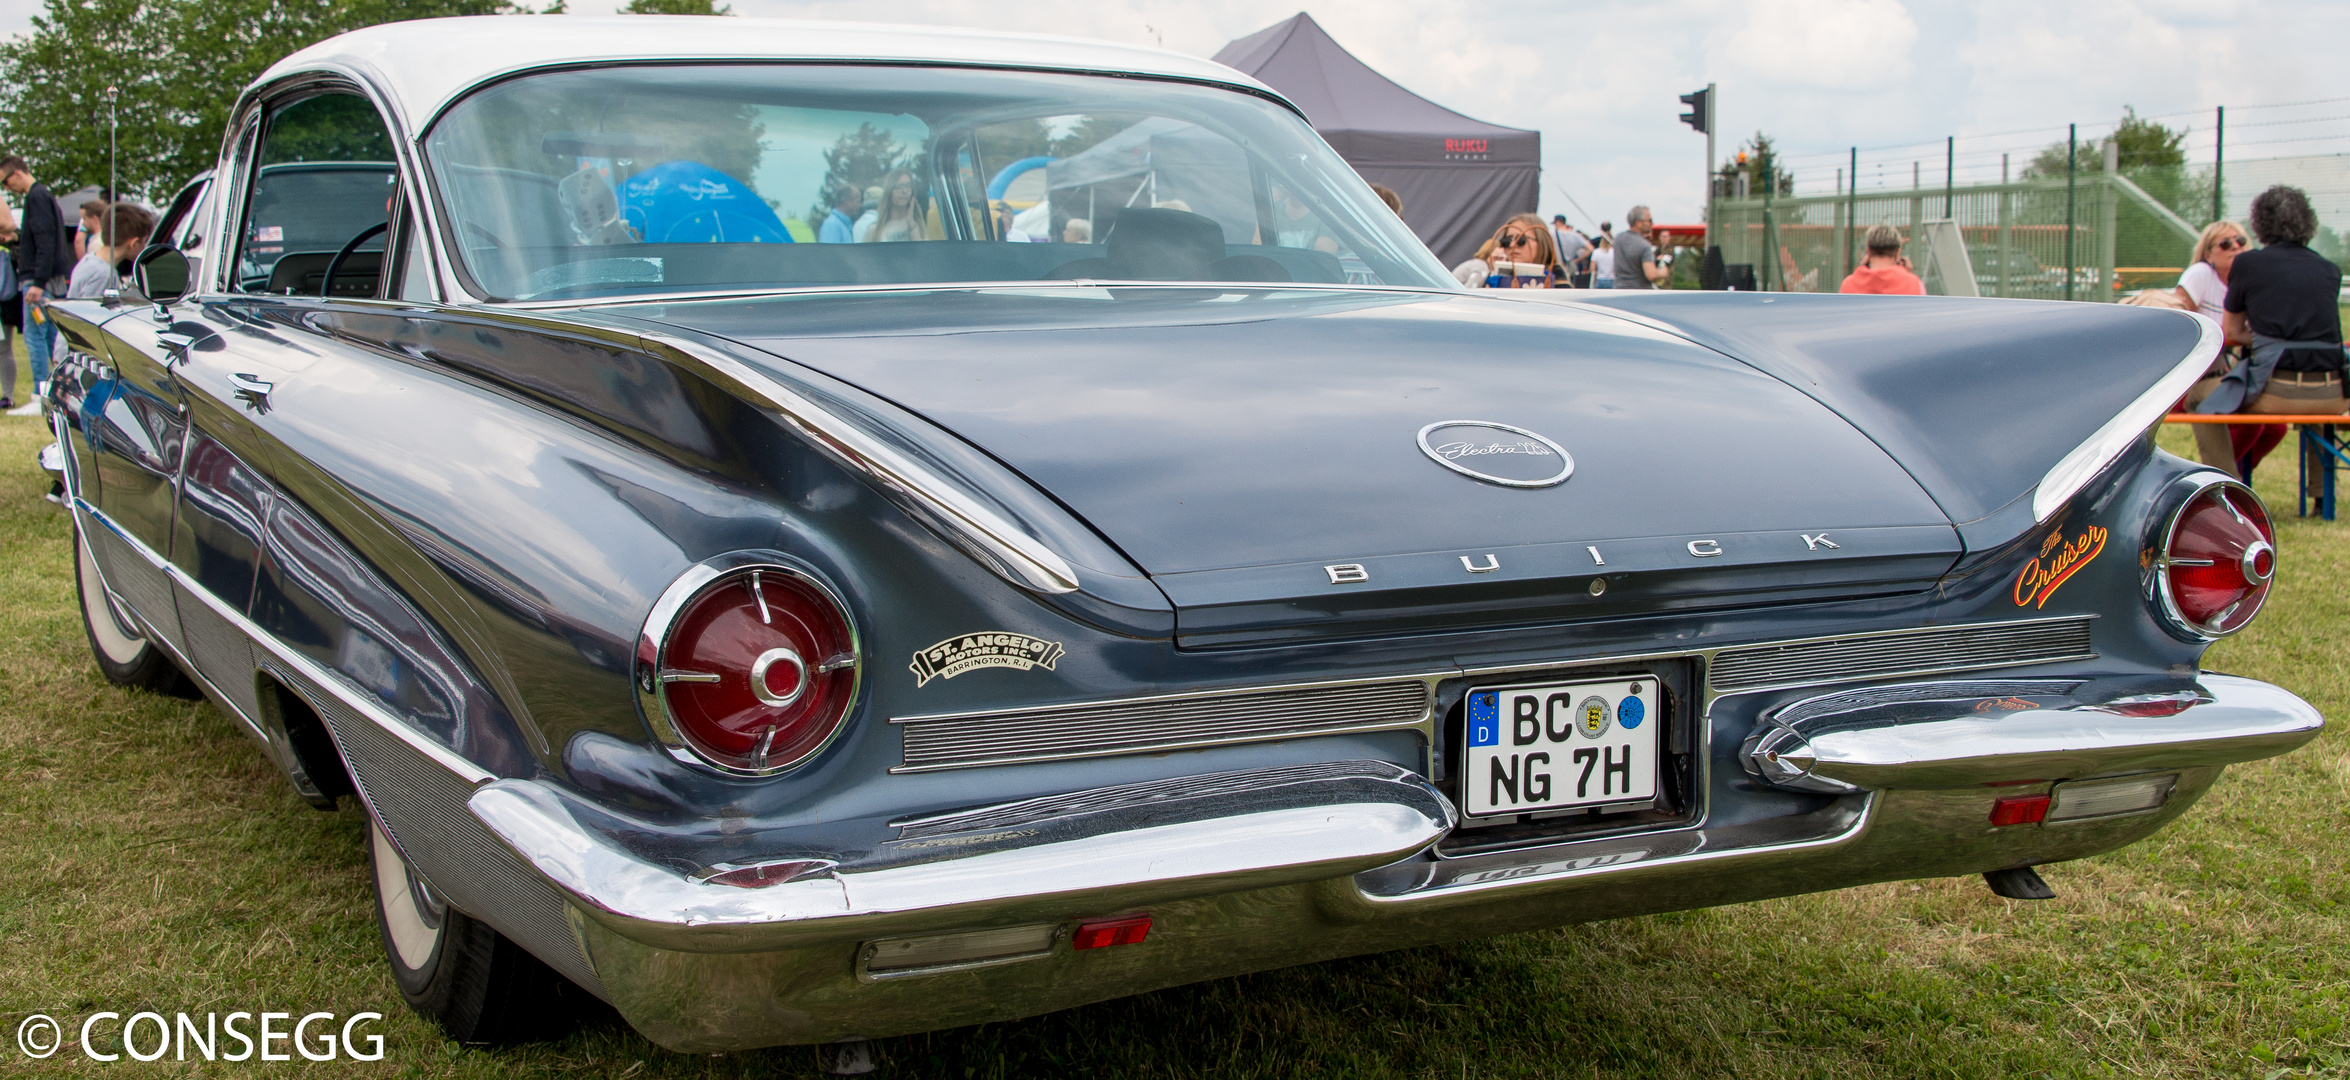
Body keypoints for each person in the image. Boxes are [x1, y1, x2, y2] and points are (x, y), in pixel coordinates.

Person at [2197, 185, 2347, 485]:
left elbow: (2232, 332)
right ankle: (2321, 494)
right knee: (2312, 403)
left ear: (2259, 224)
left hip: (2275, 390)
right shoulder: (2329, 269)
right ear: (2308, 223)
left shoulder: (2248, 264)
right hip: (2334, 395)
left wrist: (2267, 340)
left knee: (2201, 403)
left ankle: (2227, 489)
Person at [2173, 220, 2255, 473]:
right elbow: (2179, 321)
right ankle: (2225, 478)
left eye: (2240, 241)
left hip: (2232, 373)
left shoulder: (2252, 279)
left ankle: (2230, 477)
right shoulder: (2200, 275)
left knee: (2273, 426)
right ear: (2208, 253)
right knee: (2213, 403)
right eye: (2225, 243)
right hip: (2195, 376)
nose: (2235, 247)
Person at [5, 156, 71, 401]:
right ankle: (54, 391)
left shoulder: (36, 197)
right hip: (49, 278)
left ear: (17, 173)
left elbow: (45, 240)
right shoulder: (44, 195)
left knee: (35, 337)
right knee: (52, 338)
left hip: (38, 280)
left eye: (5, 181)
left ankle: (40, 393)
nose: (6, 188)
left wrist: (37, 282)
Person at [1451, 214, 1564, 289]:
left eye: (1521, 240)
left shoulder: (1558, 279)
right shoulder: (1493, 277)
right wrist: (1493, 272)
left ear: (1542, 244)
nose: (1513, 245)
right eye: (1507, 240)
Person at [69, 202, 151, 299]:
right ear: (134, 243)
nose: (144, 246)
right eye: (144, 241)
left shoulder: (89, 259)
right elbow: (90, 312)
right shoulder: (105, 275)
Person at [1838, 225, 1927, 294]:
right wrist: (1906, 275)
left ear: (1868, 251)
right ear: (1897, 253)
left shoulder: (1848, 284)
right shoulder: (1914, 284)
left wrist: (1860, 270)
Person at [1612, 206, 1669, 290]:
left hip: (1619, 289)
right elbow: (1651, 275)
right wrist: (1662, 273)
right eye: (1649, 220)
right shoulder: (1644, 246)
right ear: (1638, 223)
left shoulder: (1618, 238)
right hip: (1639, 292)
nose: (1651, 223)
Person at [867, 169, 928, 243]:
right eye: (899, 186)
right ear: (889, 191)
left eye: (908, 186)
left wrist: (911, 225)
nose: (904, 191)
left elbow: (923, 252)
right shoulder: (875, 230)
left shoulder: (918, 224)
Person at [1551, 215, 1591, 287]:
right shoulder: (1576, 236)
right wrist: (1577, 260)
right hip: (1570, 269)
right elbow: (1590, 249)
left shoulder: (1552, 235)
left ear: (1557, 222)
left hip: (1556, 268)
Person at [1590, 222, 1615, 288]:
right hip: (1612, 279)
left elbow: (1592, 269)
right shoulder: (1615, 252)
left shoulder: (1596, 252)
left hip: (1600, 279)